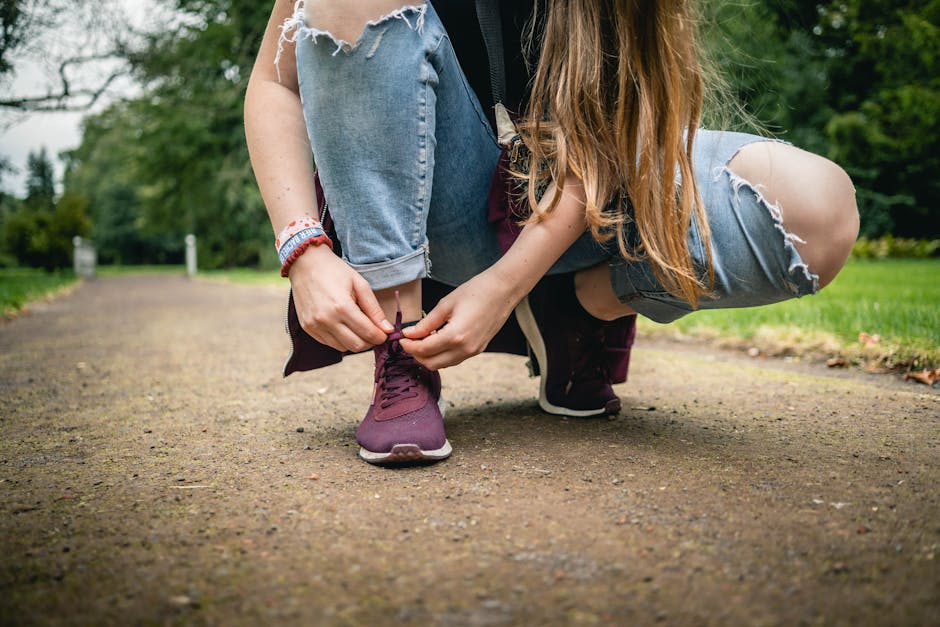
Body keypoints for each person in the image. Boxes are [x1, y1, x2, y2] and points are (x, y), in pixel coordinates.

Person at [244, 0, 859, 465]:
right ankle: (401, 347)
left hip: (593, 196)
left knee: (817, 212)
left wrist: (510, 285)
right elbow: (276, 82)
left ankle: (576, 305)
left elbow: (616, 129)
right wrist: (304, 248)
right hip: (439, 211)